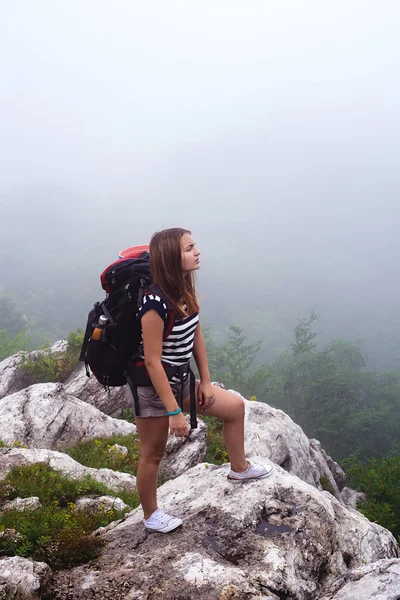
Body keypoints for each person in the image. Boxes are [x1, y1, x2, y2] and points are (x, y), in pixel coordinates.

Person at [130, 227, 273, 533]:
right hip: (152, 390)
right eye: (189, 248)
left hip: (182, 379)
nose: (197, 252)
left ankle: (240, 469)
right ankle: (151, 515)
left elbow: (196, 333)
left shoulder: (183, 290)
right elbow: (153, 362)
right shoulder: (153, 303)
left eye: (194, 246)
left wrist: (206, 380)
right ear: (171, 257)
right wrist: (174, 413)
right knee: (152, 453)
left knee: (234, 408)